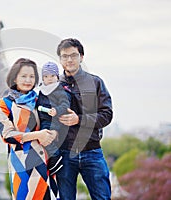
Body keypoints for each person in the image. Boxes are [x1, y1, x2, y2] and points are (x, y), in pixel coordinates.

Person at [55, 38, 113, 200]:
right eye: (65, 56)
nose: (69, 59)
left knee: (102, 197)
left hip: (91, 151)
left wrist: (78, 119)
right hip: (64, 153)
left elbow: (106, 115)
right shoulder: (53, 85)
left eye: (73, 55)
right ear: (60, 59)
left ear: (81, 57)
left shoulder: (95, 82)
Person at [0, 58, 58, 200]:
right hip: (21, 163)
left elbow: (53, 122)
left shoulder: (40, 100)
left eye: (32, 76)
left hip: (45, 161)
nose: (28, 80)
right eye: (23, 76)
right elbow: (7, 135)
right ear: (14, 78)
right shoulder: (5, 103)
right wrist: (38, 135)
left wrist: (52, 133)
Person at [36, 61, 70, 176]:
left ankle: (55, 155)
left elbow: (65, 104)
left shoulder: (59, 90)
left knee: (46, 137)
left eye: (52, 76)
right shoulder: (41, 91)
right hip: (43, 119)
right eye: (46, 76)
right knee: (42, 137)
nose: (49, 79)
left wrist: (57, 110)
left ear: (57, 77)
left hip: (53, 120)